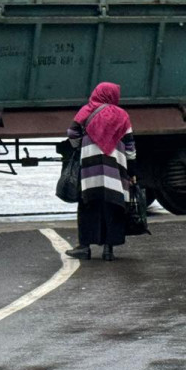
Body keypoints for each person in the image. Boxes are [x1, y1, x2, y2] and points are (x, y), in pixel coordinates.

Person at [65, 82, 137, 261]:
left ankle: (85, 247)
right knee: (112, 205)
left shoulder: (86, 110)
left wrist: (83, 145)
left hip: (90, 167)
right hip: (115, 168)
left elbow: (72, 133)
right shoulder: (122, 115)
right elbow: (130, 145)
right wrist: (132, 171)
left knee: (88, 204)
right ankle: (108, 251)